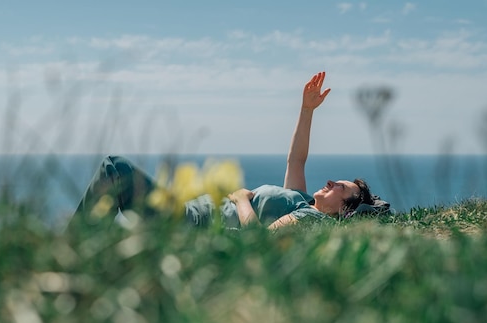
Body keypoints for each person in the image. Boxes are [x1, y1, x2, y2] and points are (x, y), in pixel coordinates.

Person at [72, 72, 380, 230]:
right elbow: (296, 158)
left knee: (115, 168)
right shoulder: (300, 200)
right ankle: (77, 246)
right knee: (115, 170)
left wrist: (241, 200)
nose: (330, 183)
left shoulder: (311, 218)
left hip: (188, 225)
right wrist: (306, 109)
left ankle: (73, 247)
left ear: (344, 209)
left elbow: (262, 240)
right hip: (187, 213)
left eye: (339, 187)